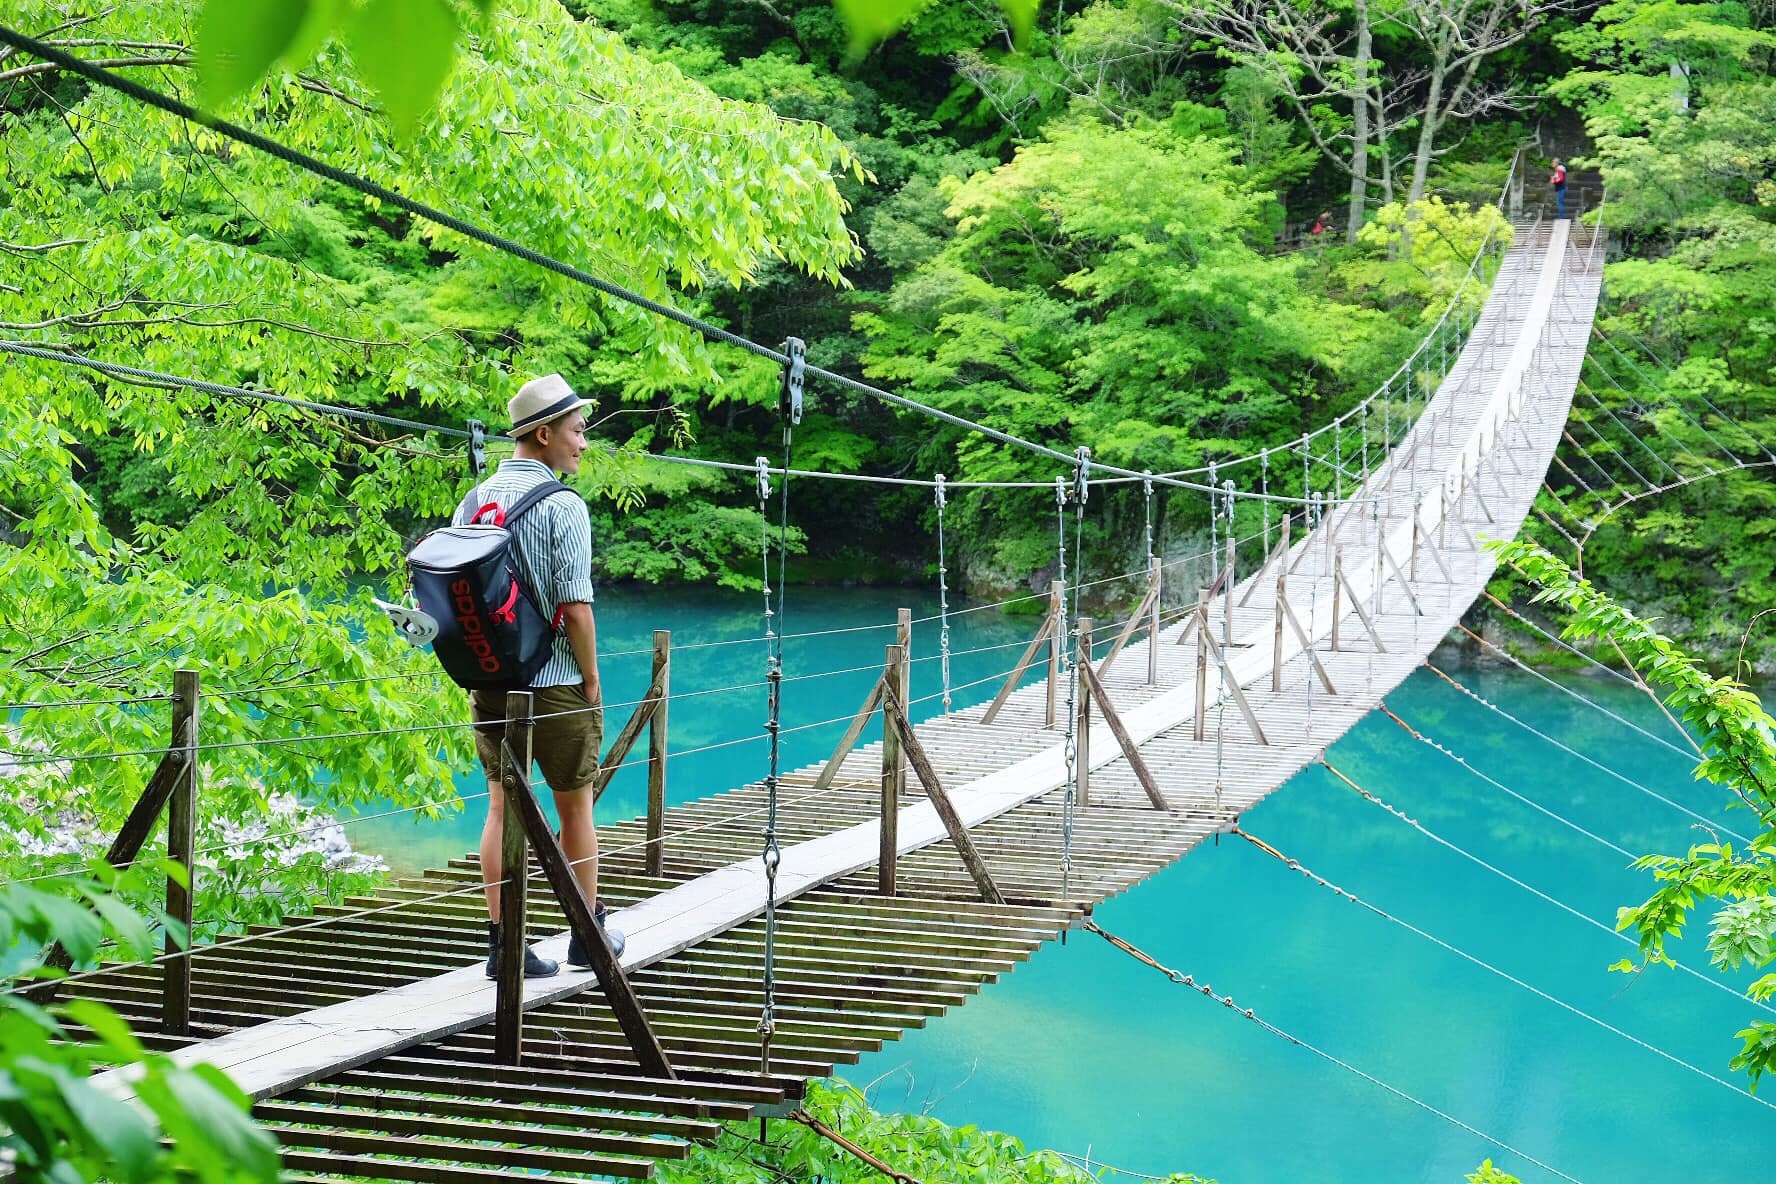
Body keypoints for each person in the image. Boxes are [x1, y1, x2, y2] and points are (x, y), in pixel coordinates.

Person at [457, 373, 622, 979]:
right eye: (577, 432)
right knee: (574, 805)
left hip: (491, 679)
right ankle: (587, 934)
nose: (582, 444)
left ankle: (505, 946)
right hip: (553, 679)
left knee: (501, 807)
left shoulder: (474, 501)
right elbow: (576, 608)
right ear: (545, 433)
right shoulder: (563, 507)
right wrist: (592, 678)